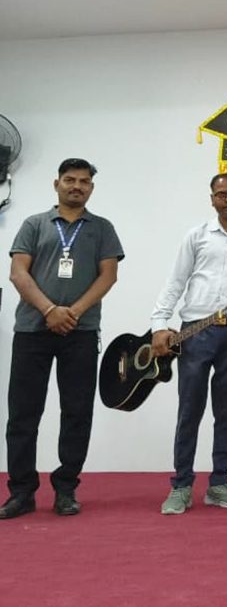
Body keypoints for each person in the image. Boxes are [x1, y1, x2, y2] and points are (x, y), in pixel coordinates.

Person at [1, 158, 123, 519]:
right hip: (32, 331)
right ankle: (21, 492)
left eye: (84, 181)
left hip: (80, 334)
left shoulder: (102, 228)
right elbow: (18, 273)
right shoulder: (34, 224)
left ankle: (66, 488)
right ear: (57, 184)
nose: (76, 186)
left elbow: (108, 276)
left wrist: (73, 313)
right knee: (23, 414)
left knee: (77, 412)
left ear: (91, 189)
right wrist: (49, 310)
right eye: (70, 180)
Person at [151, 173, 227, 515]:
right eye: (221, 195)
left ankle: (219, 483)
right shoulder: (197, 235)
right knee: (189, 409)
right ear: (212, 199)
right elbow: (176, 281)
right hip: (195, 331)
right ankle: (181, 486)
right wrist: (159, 323)